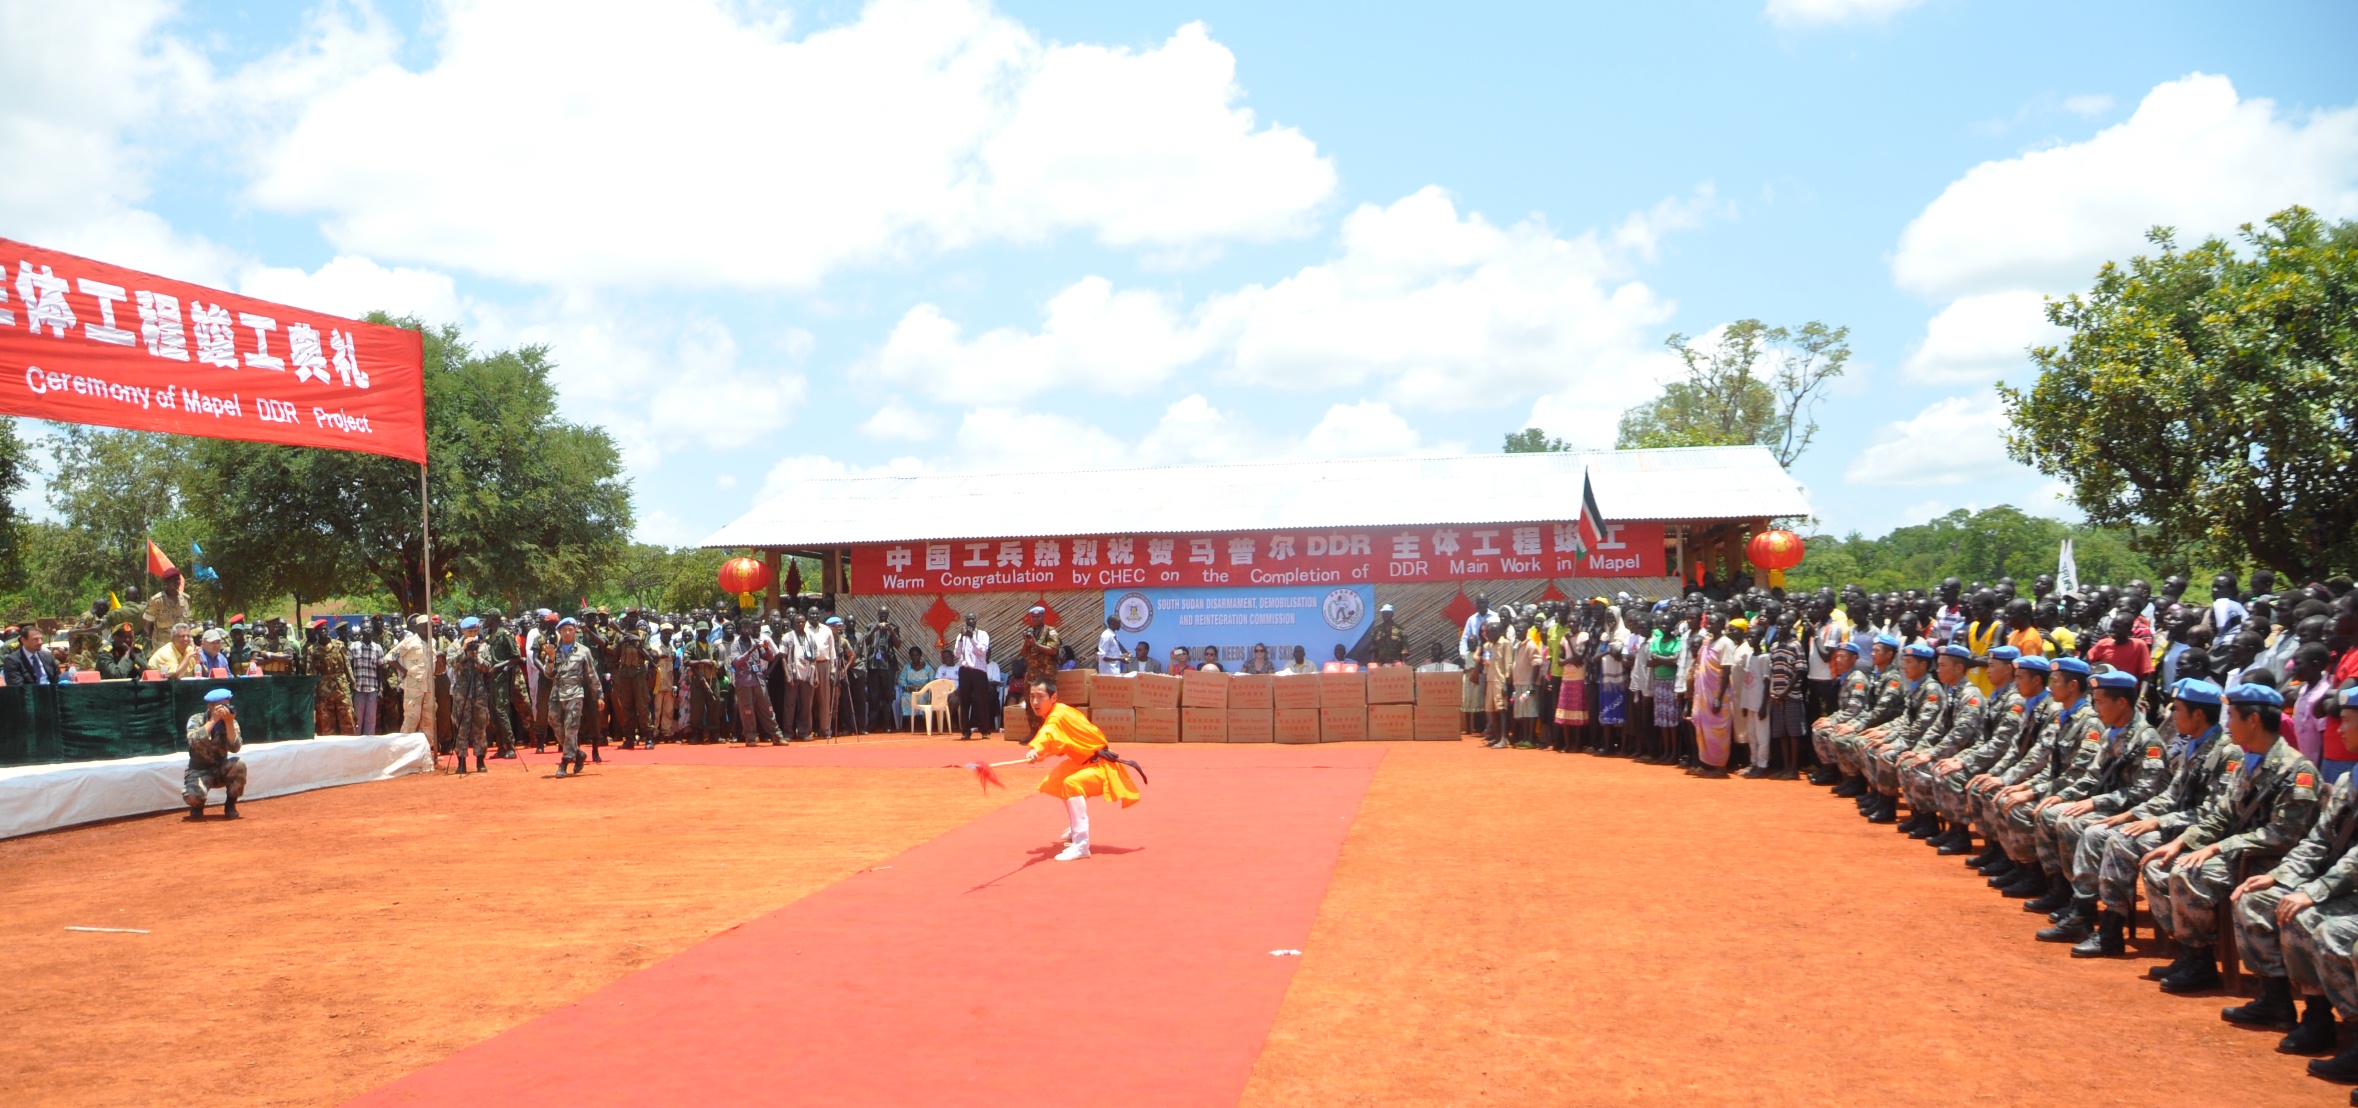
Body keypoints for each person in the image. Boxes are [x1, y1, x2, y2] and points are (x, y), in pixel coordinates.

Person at [2139, 681, 2320, 994]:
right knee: (2161, 865)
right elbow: (2222, 814)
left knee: (2186, 873)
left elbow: (2283, 834)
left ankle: (2204, 962)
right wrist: (2184, 841)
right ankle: (2194, 953)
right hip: (2241, 852)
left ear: (2253, 720)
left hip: (2272, 861)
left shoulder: (2295, 770)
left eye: (2232, 716)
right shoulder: (2250, 761)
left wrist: (2218, 847)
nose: (2226, 724)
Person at [1020, 677, 1142, 862]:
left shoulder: (1057, 716)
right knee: (1056, 781)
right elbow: (1061, 744)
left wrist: (1035, 748)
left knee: (1072, 783)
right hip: (1085, 761)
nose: (1035, 702)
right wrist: (1038, 753)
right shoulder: (1060, 712)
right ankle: (1075, 825)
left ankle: (1081, 843)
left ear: (1053, 698)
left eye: (1040, 697)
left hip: (1101, 766)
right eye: (1032, 697)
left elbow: (1048, 733)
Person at [542, 617, 603, 777]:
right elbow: (548, 674)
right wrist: (550, 657)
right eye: (564, 630)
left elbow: (591, 674)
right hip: (557, 693)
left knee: (571, 728)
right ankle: (578, 753)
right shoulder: (553, 649)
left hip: (575, 693)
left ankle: (565, 762)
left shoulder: (583, 651)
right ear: (559, 632)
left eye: (570, 629)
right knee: (553, 722)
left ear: (575, 630)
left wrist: (598, 695)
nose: (567, 633)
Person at [183, 687, 246, 820]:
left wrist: (228, 723)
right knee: (192, 796)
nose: (225, 709)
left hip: (220, 769)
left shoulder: (231, 721)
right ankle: (197, 807)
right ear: (210, 706)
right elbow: (193, 741)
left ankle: (230, 805)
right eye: (221, 706)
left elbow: (235, 748)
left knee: (238, 764)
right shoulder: (197, 719)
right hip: (199, 770)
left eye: (227, 705)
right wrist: (213, 721)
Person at [449, 619, 495, 774]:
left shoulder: (483, 646)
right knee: (462, 726)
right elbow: (452, 663)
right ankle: (461, 761)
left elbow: (487, 667)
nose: (473, 635)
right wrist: (464, 651)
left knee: (481, 725)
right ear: (463, 631)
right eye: (470, 632)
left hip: (479, 691)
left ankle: (480, 759)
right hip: (462, 692)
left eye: (475, 631)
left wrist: (475, 656)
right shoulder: (455, 646)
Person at [952, 612, 992, 740]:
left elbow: (981, 652)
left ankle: (985, 730)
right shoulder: (961, 635)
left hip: (978, 671)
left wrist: (972, 639)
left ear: (976, 621)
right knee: (964, 701)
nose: (970, 622)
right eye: (967, 620)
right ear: (965, 621)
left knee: (981, 701)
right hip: (964, 670)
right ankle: (965, 731)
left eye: (972, 619)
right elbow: (956, 654)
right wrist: (961, 640)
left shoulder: (982, 635)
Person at [1020, 607, 1060, 730]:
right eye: (1033, 617)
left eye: (1038, 617)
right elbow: (1023, 653)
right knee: (1030, 701)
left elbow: (1053, 650)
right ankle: (1034, 731)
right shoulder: (1030, 632)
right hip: (1032, 673)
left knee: (1048, 702)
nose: (1035, 619)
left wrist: (1035, 644)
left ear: (1043, 617)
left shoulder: (1050, 631)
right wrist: (1027, 642)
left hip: (1046, 673)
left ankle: (1050, 730)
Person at [314, 621, 358, 735]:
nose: (323, 631)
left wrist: (353, 683)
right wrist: (313, 692)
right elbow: (311, 673)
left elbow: (347, 665)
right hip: (324, 690)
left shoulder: (339, 645)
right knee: (327, 722)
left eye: (325, 629)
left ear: (328, 630)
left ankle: (350, 745)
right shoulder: (312, 650)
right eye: (320, 630)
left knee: (347, 717)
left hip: (341, 687)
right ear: (316, 632)